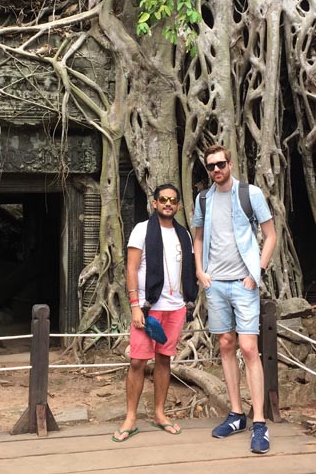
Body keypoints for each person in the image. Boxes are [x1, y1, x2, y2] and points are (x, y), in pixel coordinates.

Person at [192, 144, 277, 454]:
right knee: (226, 345)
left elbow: (271, 235)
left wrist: (258, 271)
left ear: (230, 164)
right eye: (211, 166)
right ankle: (236, 414)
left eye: (221, 164)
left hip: (244, 284)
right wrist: (200, 271)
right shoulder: (203, 199)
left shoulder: (250, 194)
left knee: (249, 347)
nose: (216, 169)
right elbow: (198, 236)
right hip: (215, 284)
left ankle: (259, 422)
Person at [112, 183, 197, 442]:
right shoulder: (142, 230)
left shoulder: (184, 234)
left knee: (164, 360)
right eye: (163, 199)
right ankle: (130, 417)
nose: (168, 203)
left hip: (175, 307)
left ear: (178, 205)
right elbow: (131, 268)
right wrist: (134, 306)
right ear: (154, 203)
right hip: (148, 308)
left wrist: (188, 301)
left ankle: (160, 413)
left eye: (172, 200)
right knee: (138, 361)